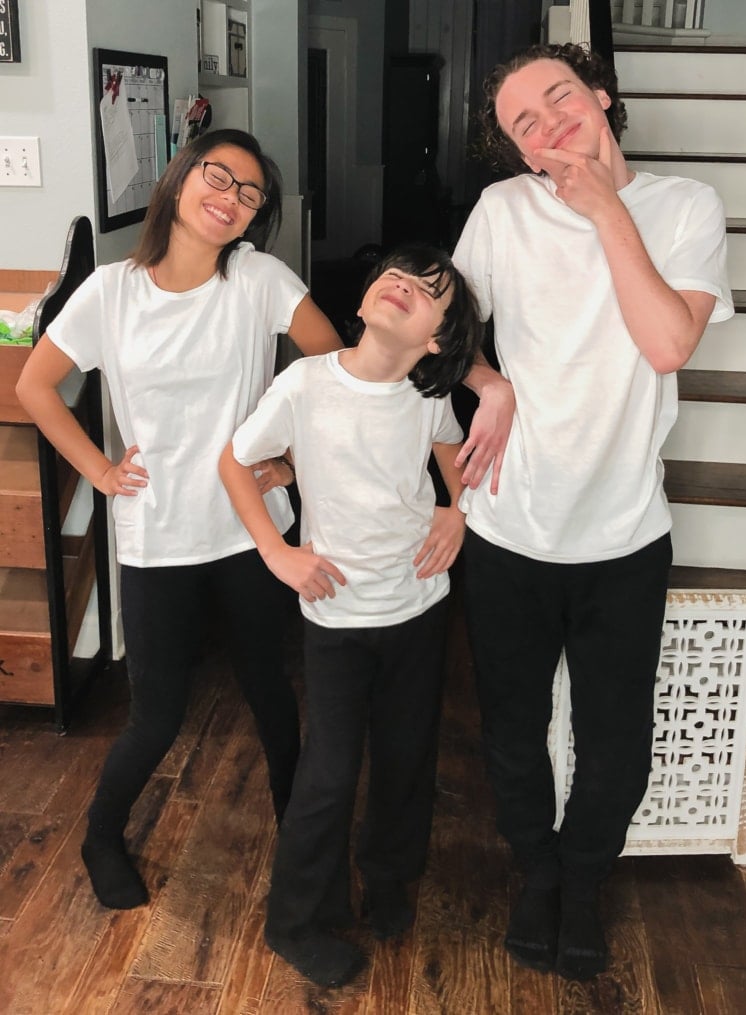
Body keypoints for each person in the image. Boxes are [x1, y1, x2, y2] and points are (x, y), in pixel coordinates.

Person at [452, 43, 733, 981]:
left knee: (618, 737)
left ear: (601, 97)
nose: (547, 124)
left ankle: (584, 874)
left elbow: (664, 343)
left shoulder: (685, 207)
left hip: (623, 536)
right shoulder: (502, 212)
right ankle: (538, 869)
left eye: (558, 99)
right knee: (513, 723)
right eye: (523, 124)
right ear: (519, 153)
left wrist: (606, 208)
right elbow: (440, 332)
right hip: (508, 528)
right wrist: (484, 380)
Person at [15, 128, 342, 911]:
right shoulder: (108, 291)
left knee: (271, 691)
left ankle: (303, 846)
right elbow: (34, 386)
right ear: (181, 178)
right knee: (157, 713)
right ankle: (101, 835)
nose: (230, 199)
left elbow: (334, 372)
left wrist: (292, 463)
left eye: (249, 193)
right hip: (159, 532)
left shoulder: (259, 278)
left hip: (251, 527)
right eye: (219, 177)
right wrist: (97, 468)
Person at [219, 244, 482, 988]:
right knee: (329, 773)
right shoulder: (305, 383)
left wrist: (456, 511)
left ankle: (390, 878)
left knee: (406, 758)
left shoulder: (428, 394)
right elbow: (237, 461)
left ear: (436, 339)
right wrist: (276, 551)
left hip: (418, 608)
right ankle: (295, 918)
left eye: (431, 290)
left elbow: (453, 456)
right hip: (334, 614)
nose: (404, 283)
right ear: (364, 300)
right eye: (395, 274)